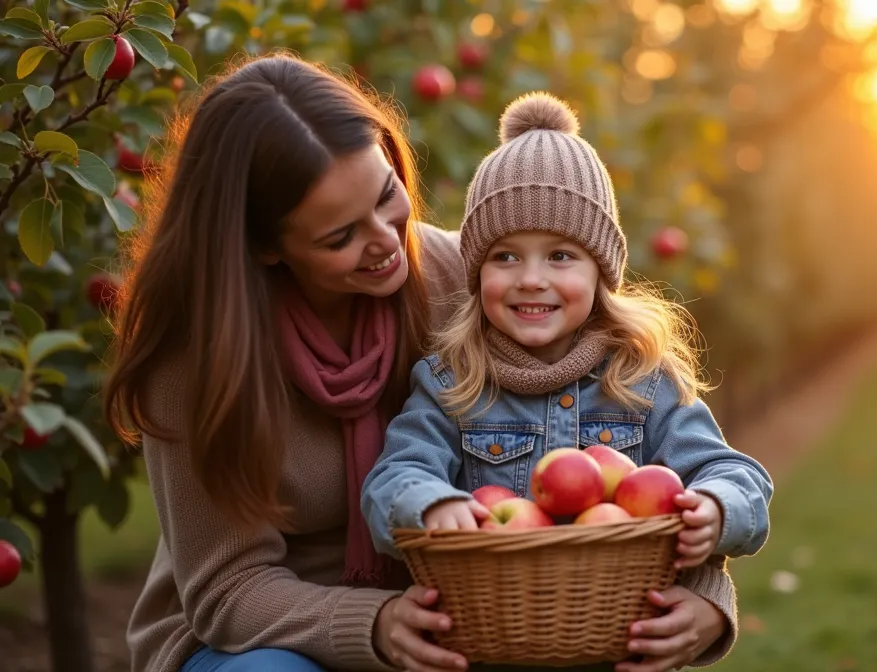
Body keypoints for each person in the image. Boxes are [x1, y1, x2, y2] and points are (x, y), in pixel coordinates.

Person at [104, 53, 742, 672]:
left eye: (387, 196)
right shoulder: (197, 360)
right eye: (340, 235)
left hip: (460, 615)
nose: (386, 243)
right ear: (267, 246)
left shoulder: (468, 281)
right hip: (264, 635)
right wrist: (376, 625)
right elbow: (228, 592)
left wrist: (705, 597)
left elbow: (659, 459)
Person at [361, 92, 774, 671]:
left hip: (613, 647)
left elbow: (736, 473)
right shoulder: (451, 383)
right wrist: (431, 505)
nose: (531, 279)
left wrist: (715, 507)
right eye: (504, 256)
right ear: (476, 270)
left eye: (560, 256)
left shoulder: (642, 379)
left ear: (601, 271)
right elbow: (394, 475)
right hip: (490, 648)